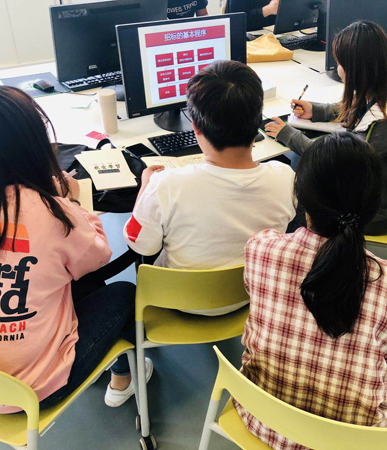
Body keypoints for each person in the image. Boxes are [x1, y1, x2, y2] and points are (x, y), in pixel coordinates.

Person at [0, 86, 147, 413]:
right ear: (31, 144)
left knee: (60, 278)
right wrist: (71, 202)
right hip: (33, 390)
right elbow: (98, 256)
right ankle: (124, 379)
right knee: (123, 292)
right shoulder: (51, 212)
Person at [235, 133, 387, 448]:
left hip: (262, 417)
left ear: (300, 198)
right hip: (353, 441)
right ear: (372, 204)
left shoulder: (261, 247)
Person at [124, 60, 296, 315]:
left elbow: (140, 246)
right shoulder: (286, 178)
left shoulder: (165, 186)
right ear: (257, 120)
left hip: (180, 302)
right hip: (251, 296)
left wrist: (145, 187)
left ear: (195, 127)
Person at [264, 21, 387, 234]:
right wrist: (317, 110)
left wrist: (288, 135)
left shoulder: (385, 128)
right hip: (384, 187)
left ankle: (303, 246)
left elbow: (334, 161)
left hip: (383, 211)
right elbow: (359, 105)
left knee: (296, 199)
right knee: (300, 167)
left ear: (357, 71)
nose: (337, 69)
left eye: (339, 63)